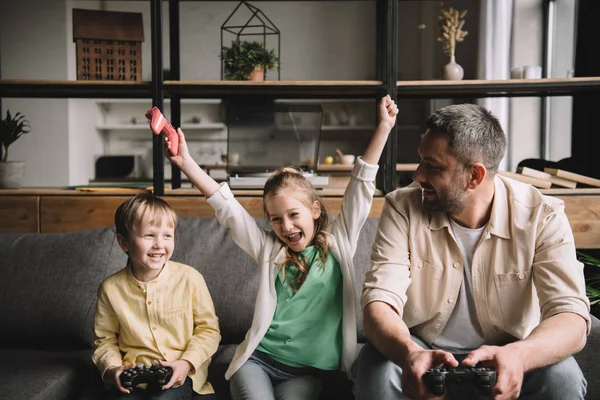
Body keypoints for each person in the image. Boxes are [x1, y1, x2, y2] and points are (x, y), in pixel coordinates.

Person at [162, 95, 398, 400]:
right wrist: (185, 162)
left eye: (293, 215)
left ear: (314, 210)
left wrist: (384, 127)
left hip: (308, 375)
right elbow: (227, 208)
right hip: (258, 363)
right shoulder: (268, 250)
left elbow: (360, 187)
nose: (286, 227)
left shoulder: (340, 242)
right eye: (276, 219)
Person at [352, 103, 591, 400]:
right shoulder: (402, 207)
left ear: (474, 176)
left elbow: (571, 316)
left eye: (434, 166)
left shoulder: (543, 215)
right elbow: (379, 301)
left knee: (563, 377)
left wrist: (519, 355)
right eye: (420, 161)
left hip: (510, 351)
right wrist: (409, 353)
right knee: (376, 370)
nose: (418, 175)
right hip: (423, 348)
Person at [92, 192, 221, 400]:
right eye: (149, 235)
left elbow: (209, 331)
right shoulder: (110, 289)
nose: (159, 244)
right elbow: (104, 340)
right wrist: (113, 369)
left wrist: (186, 363)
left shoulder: (190, 279)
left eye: (167, 235)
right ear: (124, 243)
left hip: (179, 373)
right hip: (134, 377)